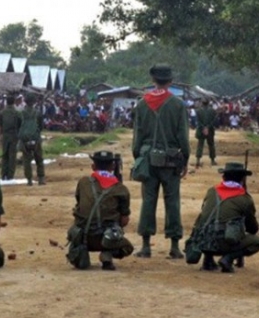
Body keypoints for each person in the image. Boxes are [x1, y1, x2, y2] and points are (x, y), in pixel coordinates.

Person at [132, 64, 190, 259]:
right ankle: (174, 246)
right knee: (172, 201)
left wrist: (138, 157)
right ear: (171, 81)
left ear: (152, 81)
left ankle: (146, 246)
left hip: (148, 157)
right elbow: (183, 136)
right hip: (171, 159)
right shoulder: (178, 105)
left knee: (148, 201)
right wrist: (186, 158)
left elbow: (137, 136)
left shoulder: (141, 104)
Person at [190, 162, 259, 273]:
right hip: (224, 244)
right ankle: (228, 258)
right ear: (242, 179)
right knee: (258, 242)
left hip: (202, 242)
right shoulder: (245, 199)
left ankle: (208, 259)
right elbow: (253, 228)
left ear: (223, 177)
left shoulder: (211, 191)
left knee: (210, 223)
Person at [66, 151, 133, 270]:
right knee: (128, 247)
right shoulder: (121, 189)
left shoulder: (83, 182)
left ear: (93, 167)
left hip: (83, 237)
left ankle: (80, 251)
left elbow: (79, 203)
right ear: (113, 167)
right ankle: (107, 254)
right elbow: (124, 220)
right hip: (107, 239)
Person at [19, 93, 46, 186]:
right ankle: (41, 179)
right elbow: (41, 126)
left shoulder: (21, 113)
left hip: (24, 139)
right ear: (34, 102)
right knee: (39, 159)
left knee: (26, 160)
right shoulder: (37, 113)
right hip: (36, 138)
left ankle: (29, 180)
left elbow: (18, 126)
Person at [0, 95, 21, 180]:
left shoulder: (2, 112)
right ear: (14, 102)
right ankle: (10, 175)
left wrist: (0, 135)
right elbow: (20, 125)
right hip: (14, 135)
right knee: (12, 156)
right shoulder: (16, 112)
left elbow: (0, 125)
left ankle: (3, 174)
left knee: (4, 155)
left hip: (5, 135)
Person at [195, 98, 217, 168]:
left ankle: (198, 160)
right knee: (211, 145)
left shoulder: (198, 111)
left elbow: (198, 121)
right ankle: (212, 160)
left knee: (200, 145)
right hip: (210, 130)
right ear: (208, 103)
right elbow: (214, 121)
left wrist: (203, 127)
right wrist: (208, 127)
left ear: (202, 103)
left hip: (201, 130)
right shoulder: (213, 111)